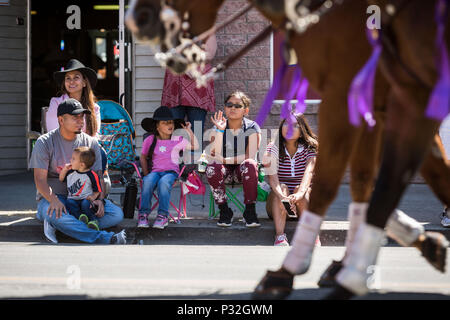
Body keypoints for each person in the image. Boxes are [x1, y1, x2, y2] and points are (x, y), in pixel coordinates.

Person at [29, 98, 126, 244]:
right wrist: (53, 200)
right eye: (75, 117)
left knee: (116, 214)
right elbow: (40, 180)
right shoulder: (45, 142)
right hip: (54, 197)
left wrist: (99, 199)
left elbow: (98, 177)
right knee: (55, 214)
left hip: (84, 199)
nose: (81, 121)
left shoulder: (90, 143)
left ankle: (65, 228)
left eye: (82, 117)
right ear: (61, 120)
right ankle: (106, 238)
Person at [206, 91, 261, 228]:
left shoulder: (252, 127)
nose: (233, 108)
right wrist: (219, 130)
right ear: (225, 108)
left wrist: (225, 160)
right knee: (212, 167)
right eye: (229, 105)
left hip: (243, 172)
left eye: (238, 106)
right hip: (224, 173)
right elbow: (215, 154)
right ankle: (224, 210)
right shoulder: (218, 126)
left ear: (245, 110)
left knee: (250, 164)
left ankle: (250, 211)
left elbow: (250, 155)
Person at [262, 114, 319, 246]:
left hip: (302, 204)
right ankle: (280, 237)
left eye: (295, 125)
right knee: (282, 188)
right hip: (278, 204)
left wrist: (299, 194)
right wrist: (283, 197)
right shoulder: (273, 148)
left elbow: (309, 172)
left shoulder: (310, 148)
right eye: (286, 124)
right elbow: (273, 179)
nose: (289, 128)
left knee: (301, 189)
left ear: (301, 132)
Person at [138, 106, 199, 229]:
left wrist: (189, 131)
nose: (169, 125)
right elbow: (143, 157)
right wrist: (145, 174)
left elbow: (195, 146)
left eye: (171, 122)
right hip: (155, 172)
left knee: (164, 182)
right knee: (148, 181)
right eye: (165, 123)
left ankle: (162, 216)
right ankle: (143, 214)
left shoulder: (177, 139)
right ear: (157, 126)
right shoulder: (150, 139)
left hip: (171, 173)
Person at [160, 34, 217, 163]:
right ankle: (174, 169)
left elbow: (210, 54)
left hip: (198, 86)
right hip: (175, 86)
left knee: (196, 130)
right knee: (173, 129)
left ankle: (192, 173)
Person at [46, 59, 101, 137]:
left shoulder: (94, 108)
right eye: (68, 78)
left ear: (84, 83)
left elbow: (95, 137)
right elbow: (53, 132)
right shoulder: (56, 103)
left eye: (76, 77)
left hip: (86, 148)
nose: (71, 82)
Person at [59, 147, 102, 231]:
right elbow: (61, 179)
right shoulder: (70, 172)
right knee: (69, 203)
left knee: (86, 204)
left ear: (82, 164)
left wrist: (93, 197)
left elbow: (98, 190)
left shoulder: (92, 175)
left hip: (85, 199)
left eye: (73, 159)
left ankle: (93, 220)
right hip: (73, 199)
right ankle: (80, 218)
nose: (70, 160)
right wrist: (64, 170)